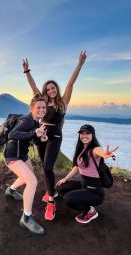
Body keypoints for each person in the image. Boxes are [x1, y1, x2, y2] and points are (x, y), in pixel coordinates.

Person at [21, 51, 87, 221]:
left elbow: (71, 82)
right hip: (41, 135)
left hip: (55, 136)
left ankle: (51, 201)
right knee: (45, 167)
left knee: (49, 167)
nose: (50, 90)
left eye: (53, 88)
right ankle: (53, 191)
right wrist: (27, 72)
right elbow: (33, 87)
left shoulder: (63, 102)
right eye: (48, 88)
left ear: (56, 89)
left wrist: (79, 64)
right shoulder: (42, 100)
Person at [56, 124, 119, 224]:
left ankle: (90, 211)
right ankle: (83, 198)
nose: (84, 136)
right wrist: (65, 179)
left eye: (88, 133)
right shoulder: (81, 149)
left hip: (95, 192)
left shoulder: (94, 149)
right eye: (82, 133)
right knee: (61, 187)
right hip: (84, 185)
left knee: (68, 198)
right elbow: (77, 167)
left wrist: (104, 154)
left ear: (92, 135)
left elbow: (99, 152)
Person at [3, 94, 48, 235]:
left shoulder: (36, 121)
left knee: (28, 176)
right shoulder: (27, 120)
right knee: (32, 181)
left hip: (21, 155)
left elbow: (31, 138)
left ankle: (10, 190)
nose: (41, 110)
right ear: (31, 108)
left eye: (43, 107)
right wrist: (34, 132)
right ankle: (26, 219)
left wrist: (40, 137)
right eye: (38, 107)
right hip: (12, 156)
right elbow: (12, 135)